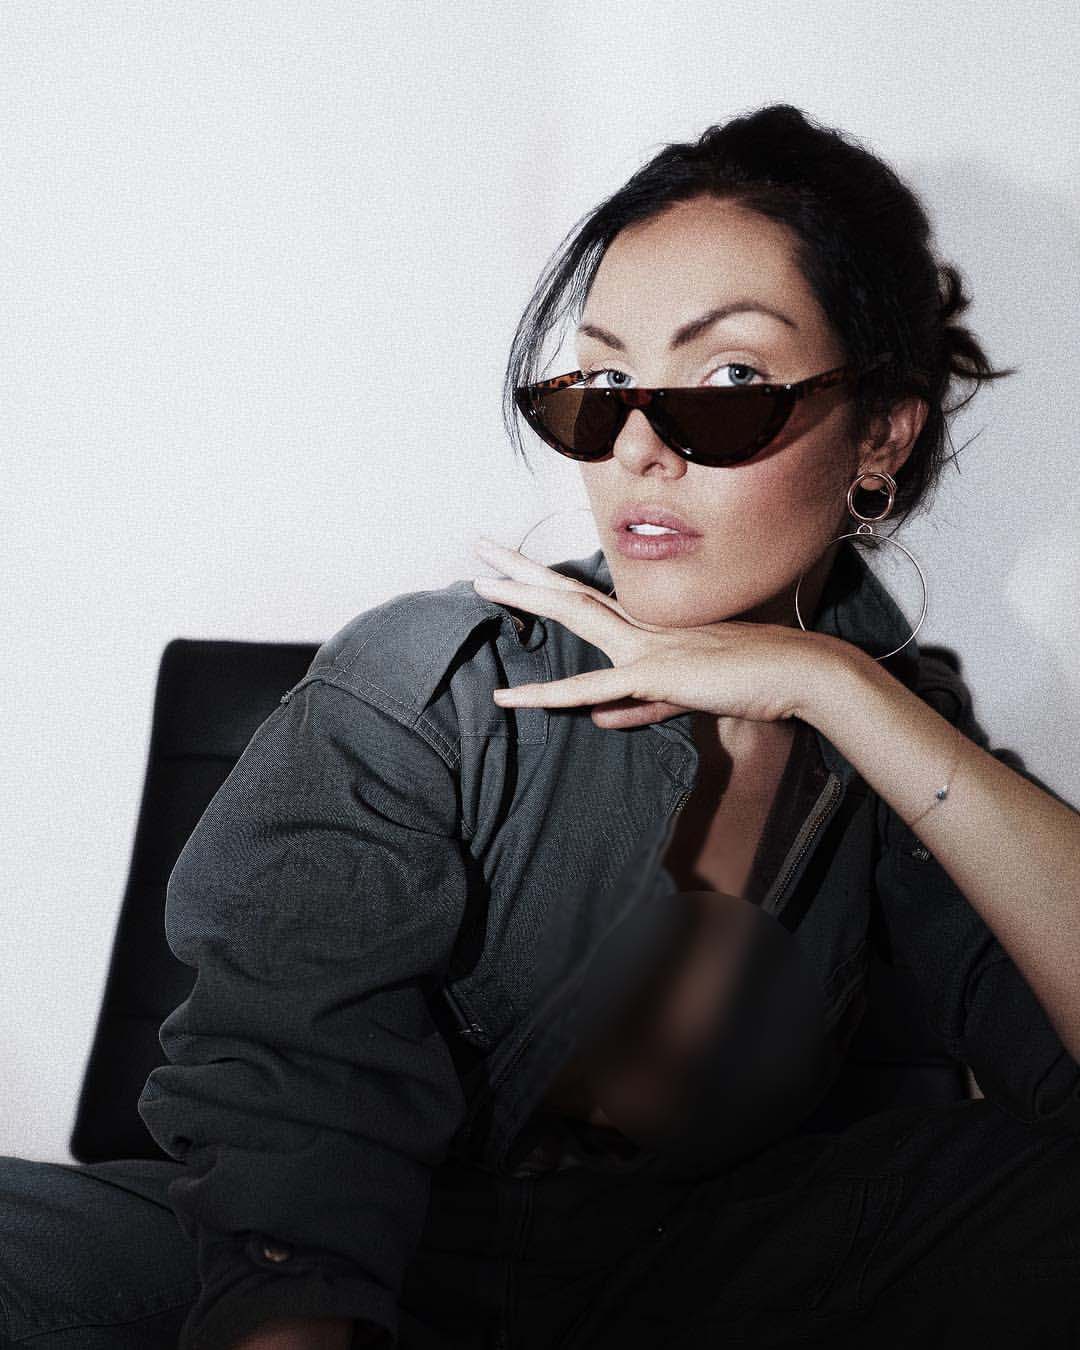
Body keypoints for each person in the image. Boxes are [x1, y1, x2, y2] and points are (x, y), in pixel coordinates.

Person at [2, 102, 1080, 1350]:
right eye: (604, 382)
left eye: (730, 381)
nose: (639, 447)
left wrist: (836, 688)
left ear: (880, 432)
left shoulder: (893, 736)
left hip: (692, 1277)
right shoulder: (433, 677)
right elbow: (295, 1119)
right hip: (369, 1256)